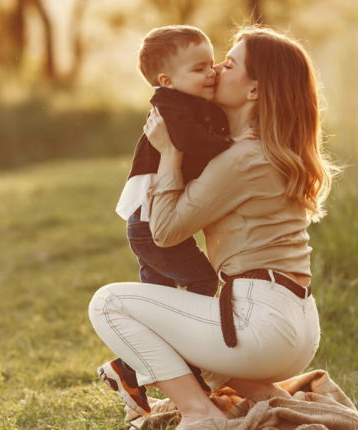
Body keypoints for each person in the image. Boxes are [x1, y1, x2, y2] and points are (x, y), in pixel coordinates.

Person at [89, 26, 340, 428]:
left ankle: (198, 412)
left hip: (262, 327)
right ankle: (263, 393)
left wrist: (170, 151)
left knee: (107, 303)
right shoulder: (264, 147)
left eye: (230, 62)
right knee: (171, 311)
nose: (216, 69)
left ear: (254, 90)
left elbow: (166, 231)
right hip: (297, 326)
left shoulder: (242, 158)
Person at [107, 24, 255, 414]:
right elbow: (189, 141)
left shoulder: (194, 102)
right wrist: (233, 147)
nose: (211, 73)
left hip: (153, 218)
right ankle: (163, 366)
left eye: (213, 64)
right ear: (166, 80)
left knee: (159, 306)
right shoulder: (170, 106)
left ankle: (129, 373)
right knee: (203, 282)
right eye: (199, 68)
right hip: (149, 223)